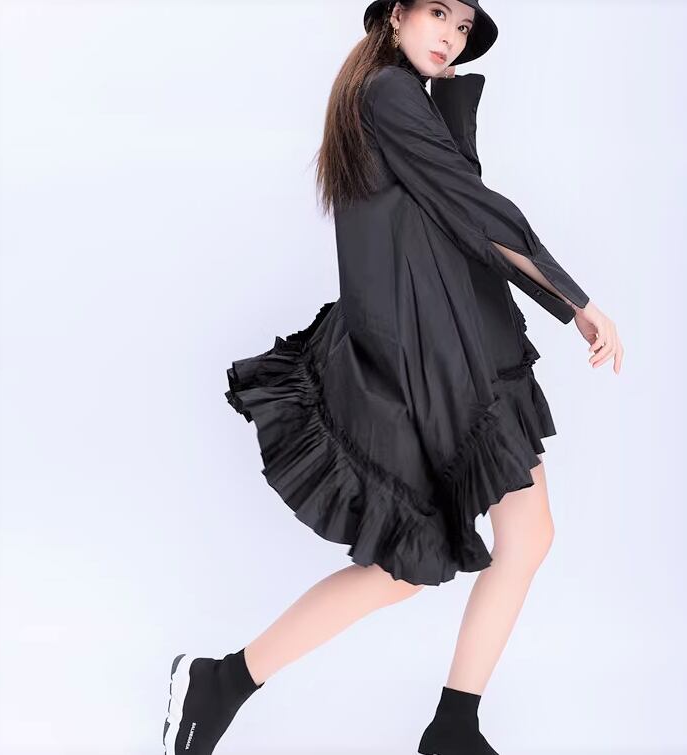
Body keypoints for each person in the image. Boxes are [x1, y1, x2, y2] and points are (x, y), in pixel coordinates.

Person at [163, 1, 624, 754]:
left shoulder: (395, 94)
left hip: (460, 345)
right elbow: (477, 211)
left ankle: (446, 723)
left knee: (514, 539)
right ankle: (230, 682)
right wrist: (575, 301)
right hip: (441, 358)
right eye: (438, 13)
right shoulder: (385, 93)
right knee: (417, 562)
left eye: (463, 26)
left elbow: (457, 210)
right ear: (398, 14)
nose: (451, 35)